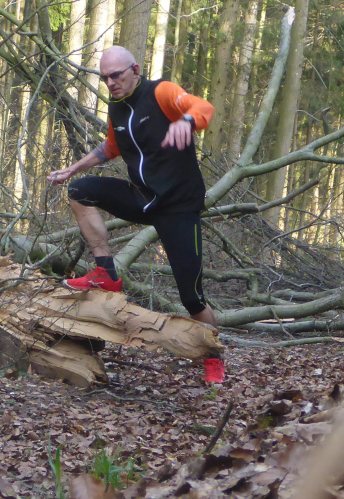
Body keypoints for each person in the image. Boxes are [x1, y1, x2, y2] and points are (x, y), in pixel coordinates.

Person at [47, 46, 224, 383]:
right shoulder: (117, 108)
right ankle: (106, 273)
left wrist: (186, 120)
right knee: (79, 190)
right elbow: (110, 148)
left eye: (116, 75)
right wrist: (72, 169)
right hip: (142, 198)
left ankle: (214, 358)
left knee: (192, 297)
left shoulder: (162, 92)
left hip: (178, 207)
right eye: (105, 78)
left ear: (135, 70)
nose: (111, 82)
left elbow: (203, 108)